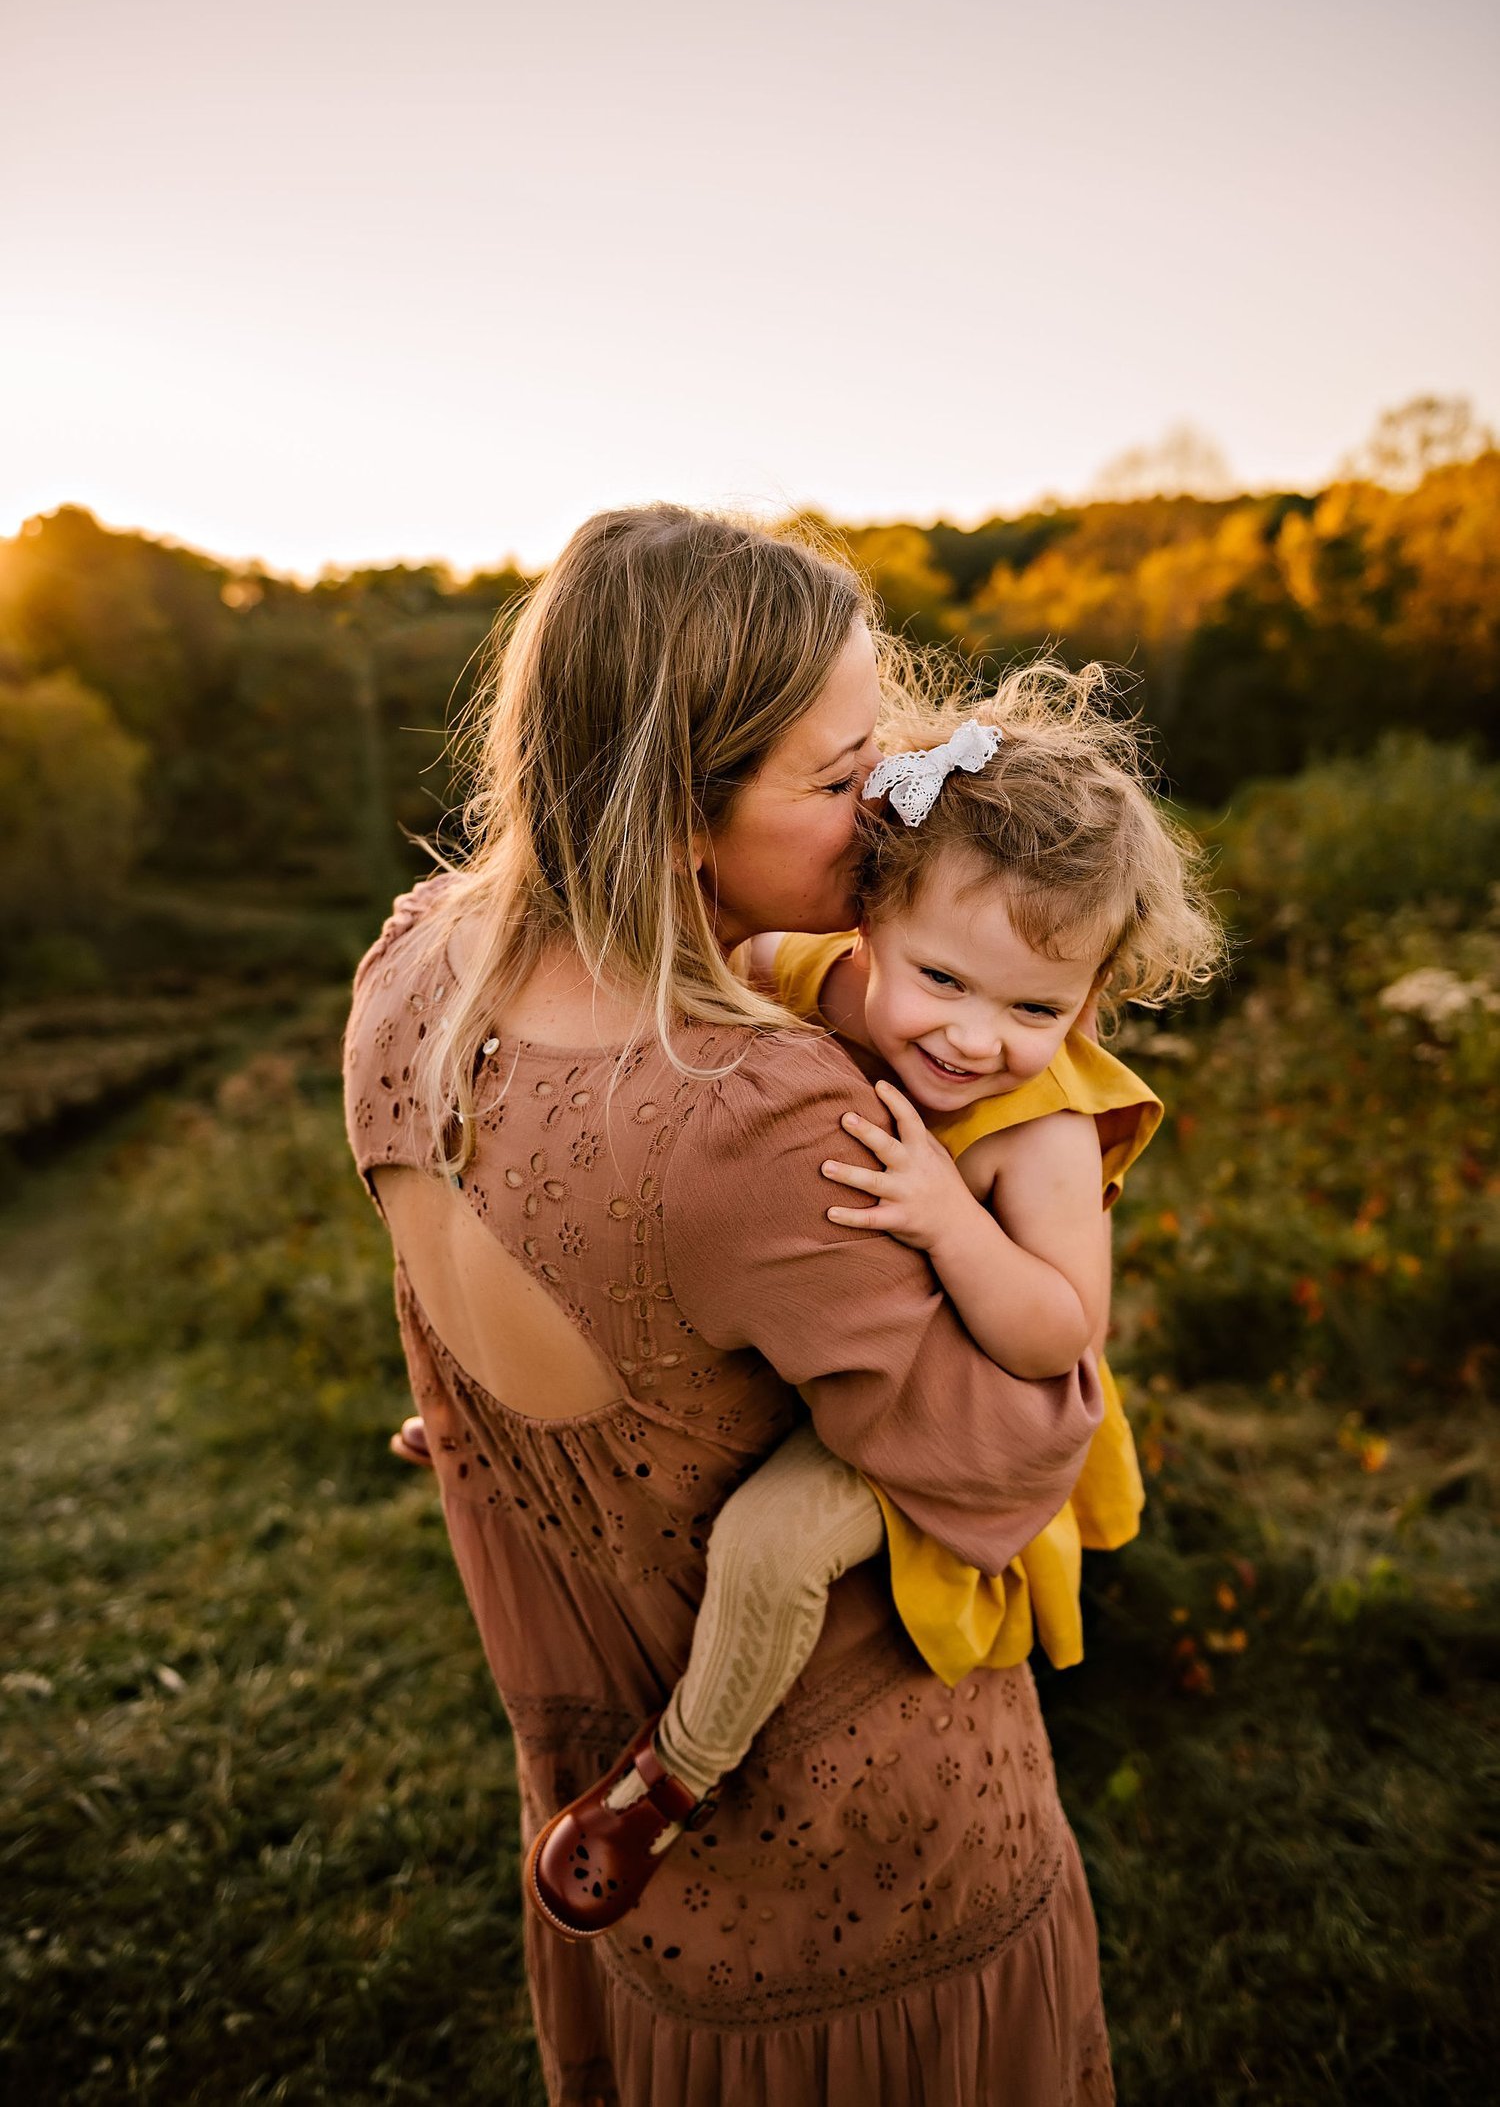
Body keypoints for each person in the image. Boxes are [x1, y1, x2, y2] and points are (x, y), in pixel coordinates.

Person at [343, 505, 1116, 2105]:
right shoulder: (753, 1110)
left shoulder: (413, 965)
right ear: (679, 808)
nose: (892, 813)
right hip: (862, 1855)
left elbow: (473, 1338)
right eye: (841, 783)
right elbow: (1012, 1452)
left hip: (584, 1774)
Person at [525, 665, 1222, 1934]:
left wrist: (955, 1220)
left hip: (956, 1396)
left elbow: (1061, 1333)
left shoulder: (1040, 1133)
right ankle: (504, 1401)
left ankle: (670, 1778)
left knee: (774, 1545)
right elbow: (703, 974)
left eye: (1036, 1008)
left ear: (1090, 1001)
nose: (976, 1039)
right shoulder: (810, 975)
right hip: (822, 1337)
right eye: (943, 982)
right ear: (872, 922)